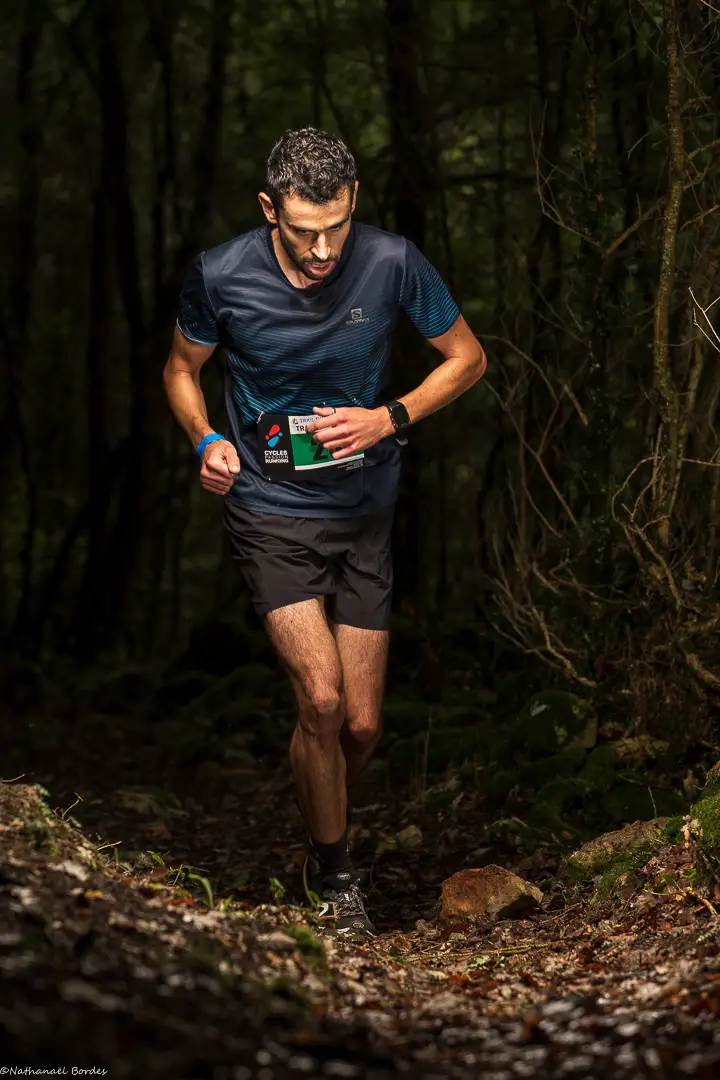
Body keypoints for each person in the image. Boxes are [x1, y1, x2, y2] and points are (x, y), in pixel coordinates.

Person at [163, 127, 486, 940]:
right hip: (270, 510)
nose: (320, 249)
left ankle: (317, 812)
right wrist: (206, 440)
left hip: (364, 511)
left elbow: (468, 358)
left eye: (335, 227)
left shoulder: (392, 262)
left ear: (353, 206)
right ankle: (335, 879)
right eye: (303, 229)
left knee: (362, 727)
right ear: (269, 207)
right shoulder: (221, 274)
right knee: (323, 697)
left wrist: (389, 416)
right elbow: (180, 368)